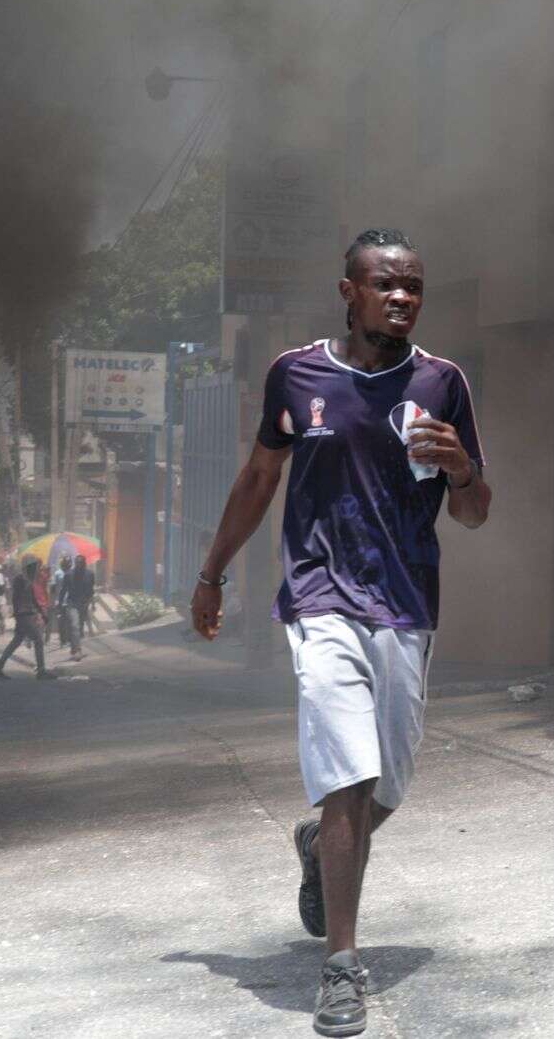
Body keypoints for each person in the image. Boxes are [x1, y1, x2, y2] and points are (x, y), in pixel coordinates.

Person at [191, 229, 489, 1038]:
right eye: (385, 283)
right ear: (348, 291)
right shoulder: (296, 373)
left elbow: (472, 510)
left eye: (415, 286)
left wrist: (462, 467)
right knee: (348, 776)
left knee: (387, 781)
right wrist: (213, 570)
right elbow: (260, 476)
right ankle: (342, 965)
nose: (402, 296)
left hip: (405, 605)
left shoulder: (442, 382)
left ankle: (317, 840)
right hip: (320, 598)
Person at [0, 556, 51, 680]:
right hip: (24, 615)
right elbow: (15, 597)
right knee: (38, 640)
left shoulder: (28, 579)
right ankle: (41, 671)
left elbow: (33, 599)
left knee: (16, 642)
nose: (37, 569)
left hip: (26, 614)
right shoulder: (21, 579)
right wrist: (18, 613)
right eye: (35, 566)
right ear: (29, 567)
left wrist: (42, 613)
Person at [68, 554, 95, 641]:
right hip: (73, 601)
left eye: (80, 562)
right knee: (75, 622)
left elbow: (91, 589)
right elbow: (65, 589)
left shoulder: (90, 574)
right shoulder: (70, 574)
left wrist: (92, 602)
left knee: (81, 621)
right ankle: (75, 643)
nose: (78, 564)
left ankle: (79, 640)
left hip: (84, 601)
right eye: (77, 562)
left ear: (84, 563)